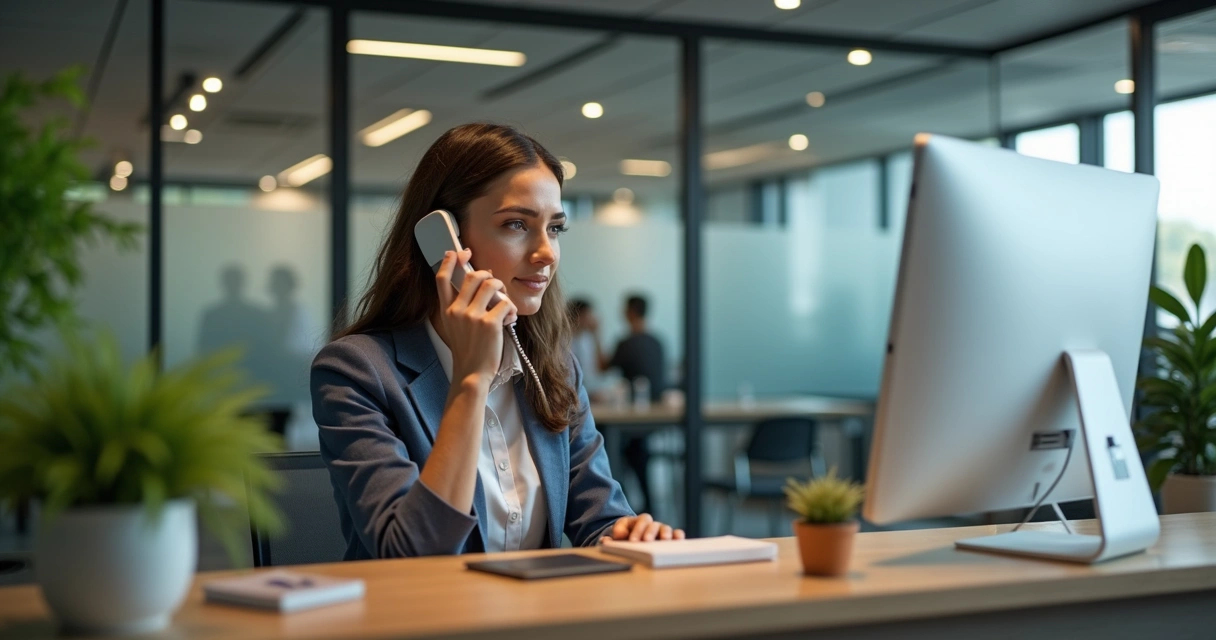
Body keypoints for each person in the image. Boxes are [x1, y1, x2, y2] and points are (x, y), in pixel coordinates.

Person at [310, 123, 683, 559]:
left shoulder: (554, 366)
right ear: (443, 239)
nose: (546, 253)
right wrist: (470, 379)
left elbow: (598, 518)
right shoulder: (357, 371)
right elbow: (408, 552)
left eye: (555, 228)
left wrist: (628, 534)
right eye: (516, 224)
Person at [599, 294, 666, 514]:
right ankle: (645, 505)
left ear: (630, 312)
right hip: (656, 419)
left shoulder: (626, 343)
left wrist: (595, 333)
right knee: (637, 452)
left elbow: (603, 367)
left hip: (630, 421)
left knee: (615, 450)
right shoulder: (658, 342)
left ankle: (623, 505)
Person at [567, 298, 607, 400]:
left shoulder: (588, 340)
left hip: (590, 392)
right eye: (588, 315)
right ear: (578, 316)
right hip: (569, 393)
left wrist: (597, 335)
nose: (591, 319)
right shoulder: (563, 340)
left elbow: (602, 367)